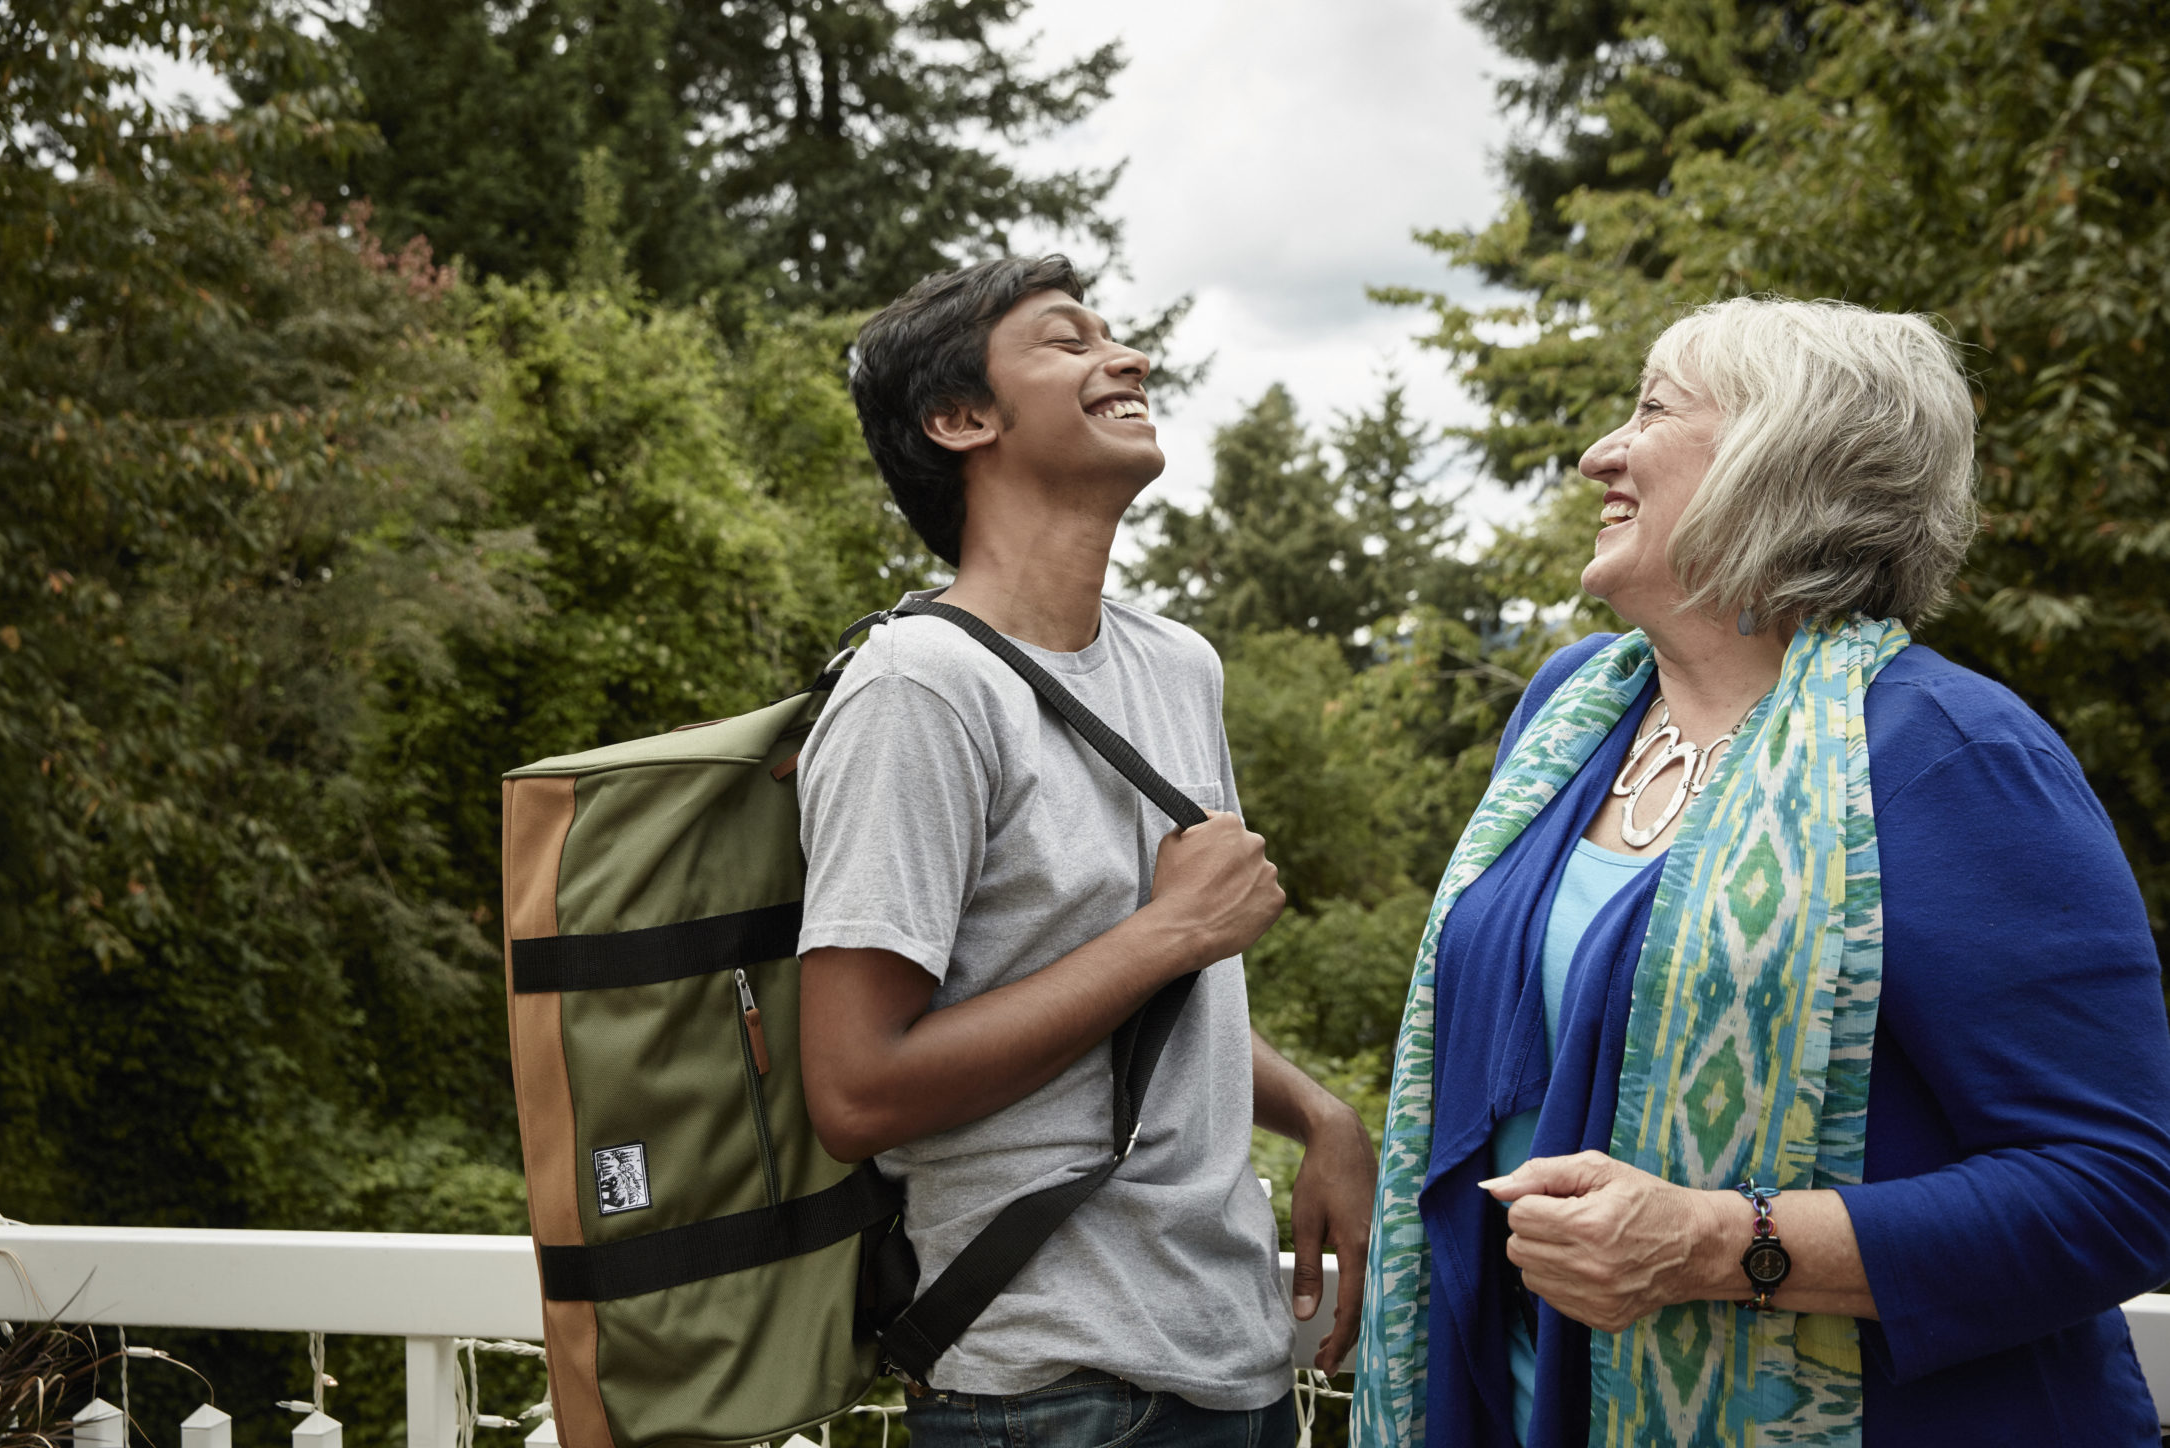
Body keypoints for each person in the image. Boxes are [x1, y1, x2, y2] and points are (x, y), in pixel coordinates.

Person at [1350, 296, 2170, 1446]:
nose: (1600, 453)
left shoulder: (1951, 753)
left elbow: (2117, 1189)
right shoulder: (1571, 713)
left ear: (1776, 455)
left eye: (1651, 408)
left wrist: (1715, 1243)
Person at [794, 255, 1378, 1448]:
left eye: (1115, 335)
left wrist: (1320, 1113)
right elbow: (854, 1086)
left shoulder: (1178, 666)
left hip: (1239, 1365)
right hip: (1048, 1386)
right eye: (1067, 341)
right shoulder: (916, 690)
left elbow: (1155, 986)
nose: (1128, 357)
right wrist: (1168, 928)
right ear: (962, 420)